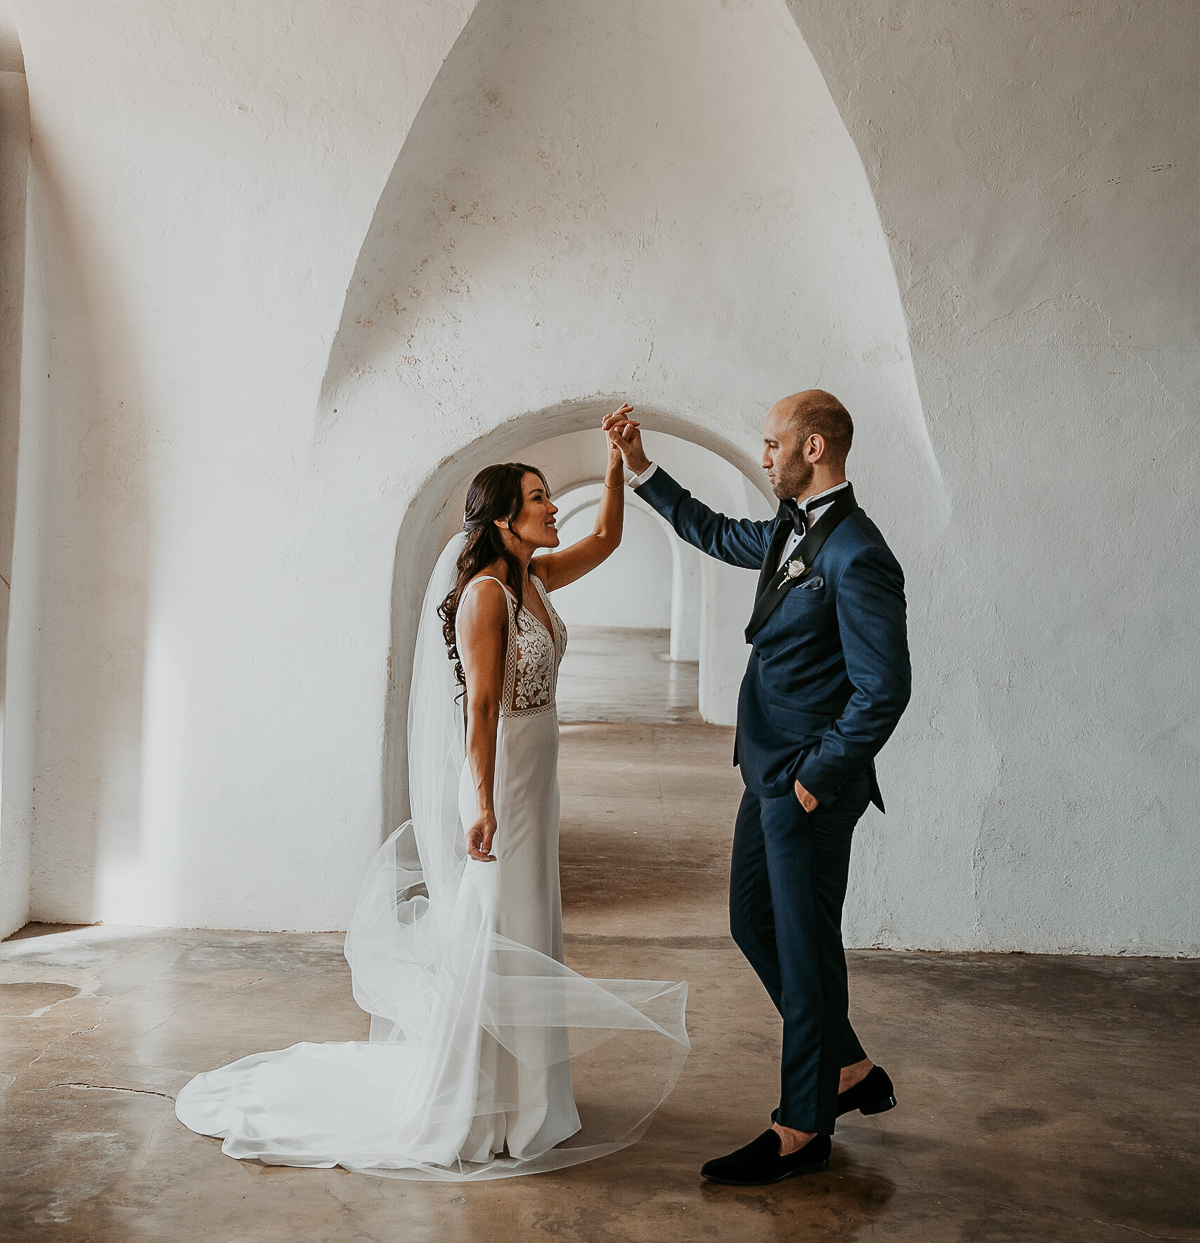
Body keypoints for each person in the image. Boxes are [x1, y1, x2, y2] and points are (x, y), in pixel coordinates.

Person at [175, 413, 688, 1181]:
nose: (553, 509)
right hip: (503, 779)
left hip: (537, 778)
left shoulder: (535, 579)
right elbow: (481, 710)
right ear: (507, 519)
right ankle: (478, 1104)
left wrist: (619, 462)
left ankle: (532, 1101)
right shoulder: (486, 596)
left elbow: (608, 539)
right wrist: (478, 802)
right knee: (495, 924)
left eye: (551, 496)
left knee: (530, 918)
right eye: (541, 499)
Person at [605, 391, 910, 1186]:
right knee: (753, 922)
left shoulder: (858, 553)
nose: (764, 456)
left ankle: (801, 1126)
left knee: (804, 952)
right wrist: (642, 470)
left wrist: (814, 780)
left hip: (808, 782)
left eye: (773, 445)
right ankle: (846, 1069)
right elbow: (713, 531)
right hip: (766, 770)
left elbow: (884, 689)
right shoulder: (789, 527)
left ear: (814, 447)